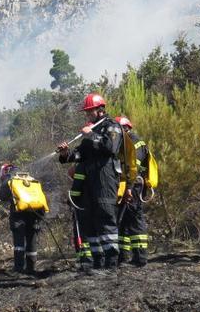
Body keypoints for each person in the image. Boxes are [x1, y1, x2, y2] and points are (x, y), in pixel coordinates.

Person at [57, 93, 124, 272]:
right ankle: (97, 262)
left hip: (105, 179)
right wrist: (65, 154)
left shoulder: (112, 126)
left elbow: (111, 147)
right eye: (86, 112)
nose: (87, 115)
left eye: (89, 111)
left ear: (100, 110)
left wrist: (92, 134)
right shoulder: (92, 128)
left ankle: (111, 264)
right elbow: (79, 155)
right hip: (89, 183)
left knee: (105, 217)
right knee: (90, 220)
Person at [115, 116, 149, 267]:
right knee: (124, 221)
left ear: (126, 128)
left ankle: (140, 257)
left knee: (135, 219)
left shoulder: (135, 143)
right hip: (127, 185)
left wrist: (129, 187)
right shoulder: (124, 143)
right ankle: (123, 256)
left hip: (134, 185)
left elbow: (134, 167)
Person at [0, 163, 44, 274]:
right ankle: (31, 267)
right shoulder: (30, 179)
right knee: (31, 241)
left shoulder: (10, 180)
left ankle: (19, 268)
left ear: (5, 172)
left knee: (19, 244)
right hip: (35, 215)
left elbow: (2, 197)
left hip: (18, 216)